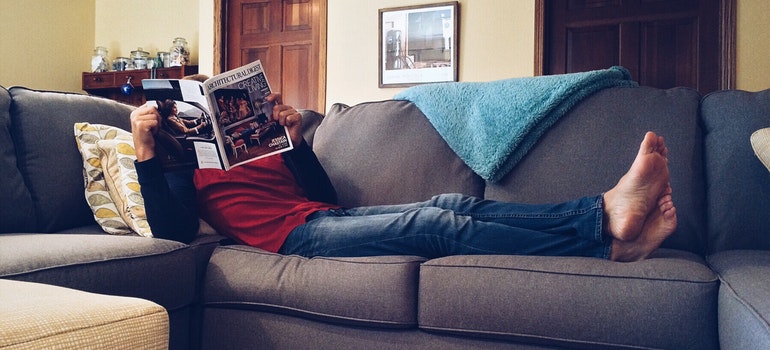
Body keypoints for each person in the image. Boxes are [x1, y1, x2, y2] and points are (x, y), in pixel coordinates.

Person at [131, 93, 677, 262]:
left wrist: (296, 143)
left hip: (321, 217)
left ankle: (604, 229)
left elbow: (321, 196)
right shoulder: (185, 170)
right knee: (432, 224)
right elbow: (174, 234)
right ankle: (602, 223)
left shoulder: (264, 147)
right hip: (293, 240)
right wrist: (146, 153)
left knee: (450, 204)